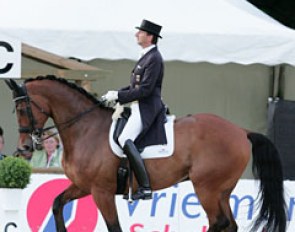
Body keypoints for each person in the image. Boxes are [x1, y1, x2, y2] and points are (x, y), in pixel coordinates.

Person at [102, 19, 167, 200]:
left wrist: (119, 97)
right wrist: (116, 93)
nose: (136, 34)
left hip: (147, 107)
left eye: (140, 32)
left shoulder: (154, 58)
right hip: (138, 105)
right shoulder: (146, 56)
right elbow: (134, 87)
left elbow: (145, 90)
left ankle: (145, 187)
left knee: (125, 138)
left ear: (150, 36)